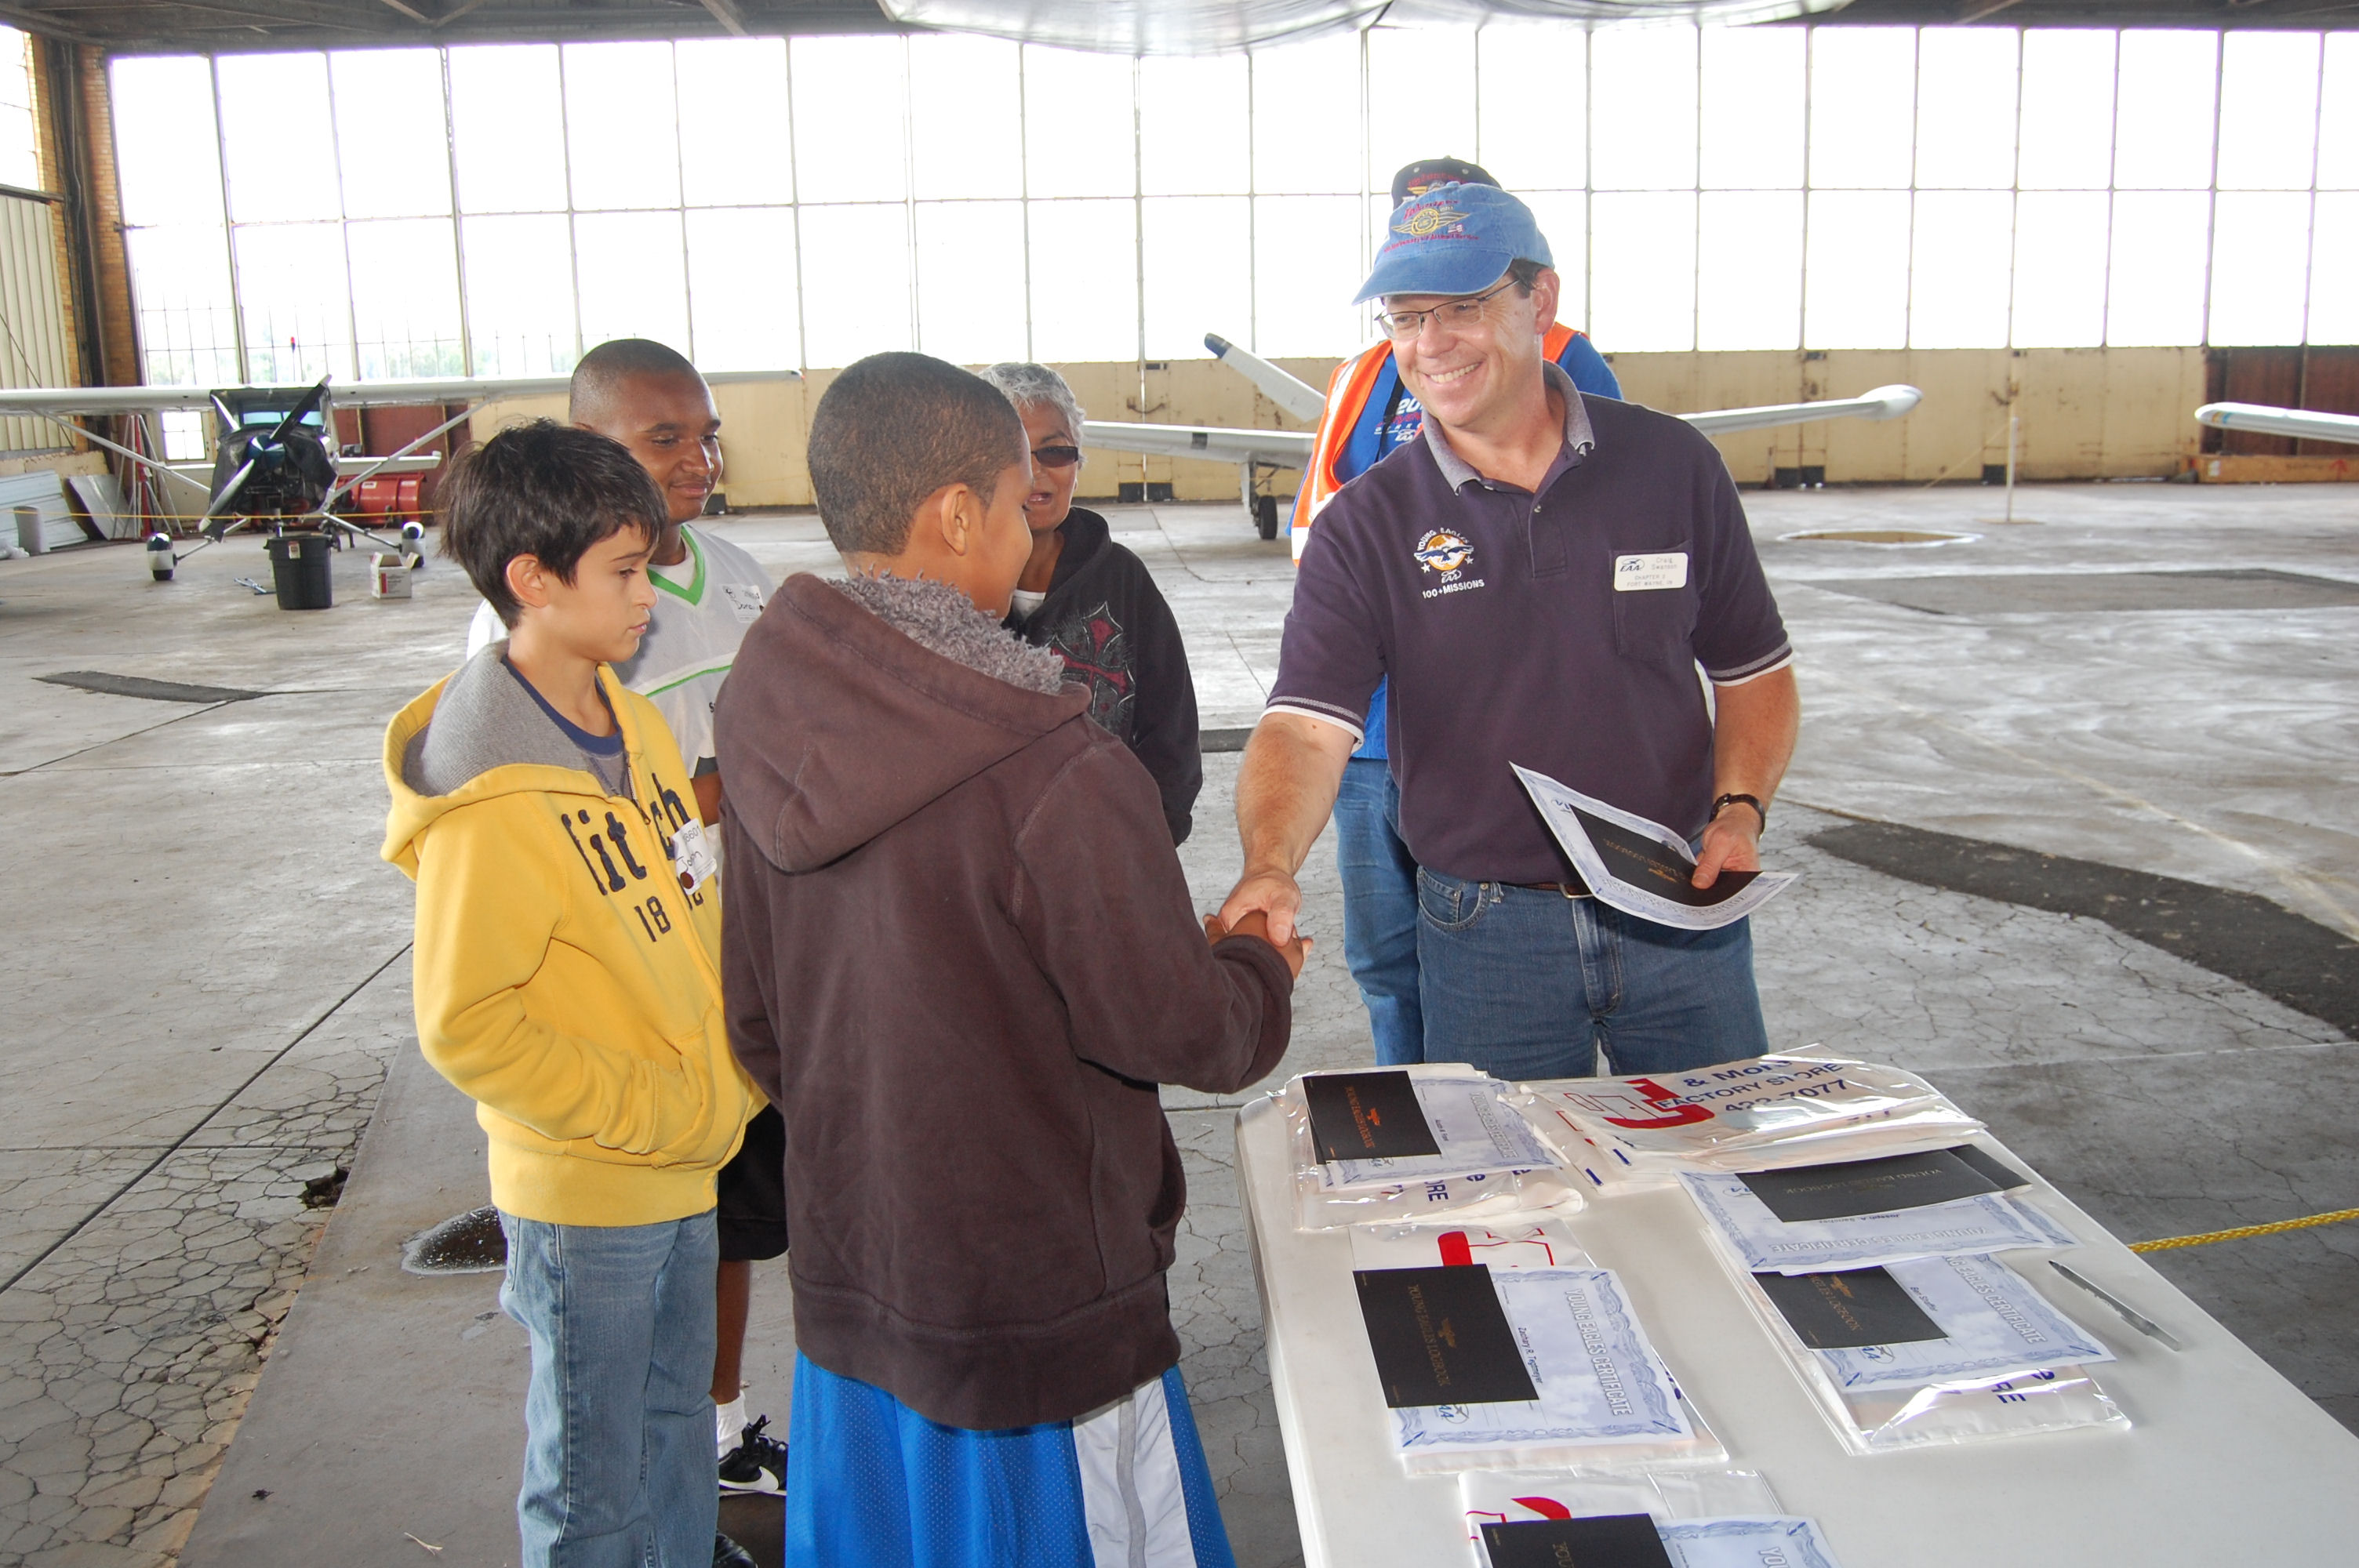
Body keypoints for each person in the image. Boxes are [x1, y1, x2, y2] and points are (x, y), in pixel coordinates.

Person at [714, 352, 1301, 1568]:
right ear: (956, 515)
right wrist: (1256, 964)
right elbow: (1180, 1029)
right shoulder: (1054, 766)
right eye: (1021, 490)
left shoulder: (762, 705)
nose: (1042, 512)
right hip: (1039, 1320)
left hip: (858, 1287)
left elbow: (758, 1024)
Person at [1220, 181, 1800, 1084]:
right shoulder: (1365, 524)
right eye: (1406, 316)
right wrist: (1269, 862)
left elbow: (1752, 670)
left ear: (1541, 300)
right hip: (1486, 931)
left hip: (1679, 905)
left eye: (1462, 306)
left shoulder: (1672, 466)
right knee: (1513, 1201)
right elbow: (1302, 725)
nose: (1431, 343)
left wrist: (1738, 809)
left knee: (1719, 1168)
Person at [384, 421, 763, 1566]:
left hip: (687, 1157)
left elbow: (685, 901)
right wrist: (647, 1108)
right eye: (627, 573)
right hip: (594, 1187)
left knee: (673, 1435)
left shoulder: (631, 719)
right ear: (532, 582)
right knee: (591, 1486)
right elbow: (467, 1022)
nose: (651, 596)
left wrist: (724, 1072)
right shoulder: (493, 790)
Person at [464, 339, 789, 1518]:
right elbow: (480, 1010)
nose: (699, 459)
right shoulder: (517, 692)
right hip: (615, 1083)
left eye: (707, 434)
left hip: (723, 987)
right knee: (590, 1456)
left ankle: (710, 1429)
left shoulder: (742, 575)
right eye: (665, 439)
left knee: (736, 1223)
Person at [1303, 158, 1623, 1069]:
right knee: (1384, 958)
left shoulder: (1563, 356)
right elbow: (1325, 528)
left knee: (1509, 949)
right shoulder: (1364, 374)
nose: (1431, 325)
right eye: (1408, 240)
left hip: (1496, 729)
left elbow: (1600, 528)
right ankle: (1418, 1115)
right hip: (1372, 734)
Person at [980, 361, 1202, 844]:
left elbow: (1173, 738)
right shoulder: (951, 590)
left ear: (1078, 463)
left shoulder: (1123, 581)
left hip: (1104, 861)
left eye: (1056, 451)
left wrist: (1142, 844)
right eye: (1013, 451)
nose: (1036, 472)